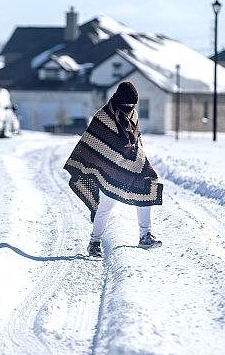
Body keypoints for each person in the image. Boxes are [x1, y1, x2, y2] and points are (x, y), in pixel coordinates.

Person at [63, 81, 163, 258]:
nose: (130, 107)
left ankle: (145, 235)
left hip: (133, 166)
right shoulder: (103, 116)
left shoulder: (133, 115)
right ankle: (94, 243)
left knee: (146, 190)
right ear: (118, 101)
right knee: (105, 208)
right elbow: (93, 143)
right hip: (109, 170)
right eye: (127, 104)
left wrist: (139, 160)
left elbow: (136, 141)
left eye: (133, 105)